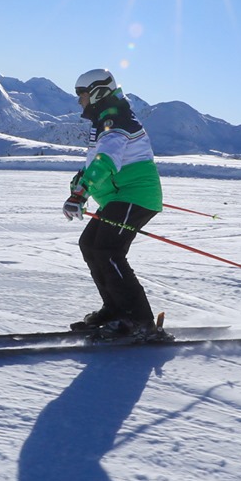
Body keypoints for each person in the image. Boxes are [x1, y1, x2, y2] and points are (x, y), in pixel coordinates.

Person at [62, 69, 164, 337]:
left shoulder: (116, 120)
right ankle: (115, 309)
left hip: (135, 196)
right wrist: (80, 185)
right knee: (90, 245)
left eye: (82, 95)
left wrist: (80, 194)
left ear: (96, 93)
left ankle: (140, 321)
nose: (79, 102)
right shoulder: (106, 120)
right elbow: (95, 163)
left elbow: (106, 161)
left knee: (108, 250)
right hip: (121, 197)